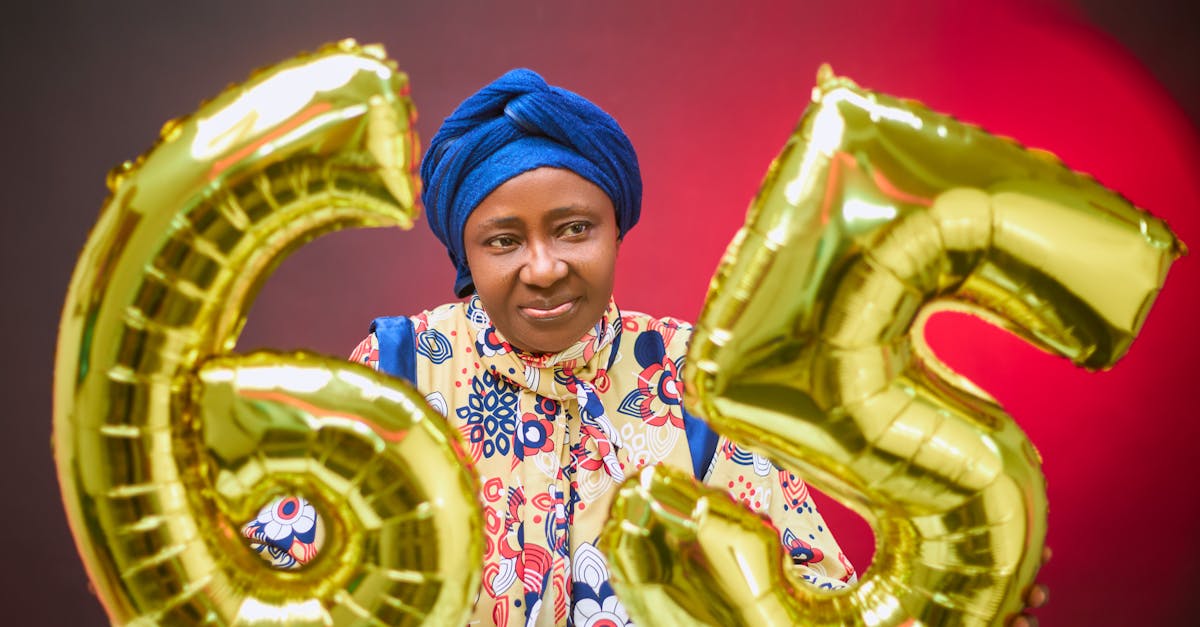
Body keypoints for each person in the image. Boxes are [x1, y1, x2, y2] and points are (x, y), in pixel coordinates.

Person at [247, 68, 1047, 627]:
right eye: (502, 240)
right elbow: (267, 594)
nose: (544, 266)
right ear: (467, 255)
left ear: (615, 228)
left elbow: (813, 600)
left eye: (573, 228)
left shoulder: (699, 387)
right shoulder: (397, 373)